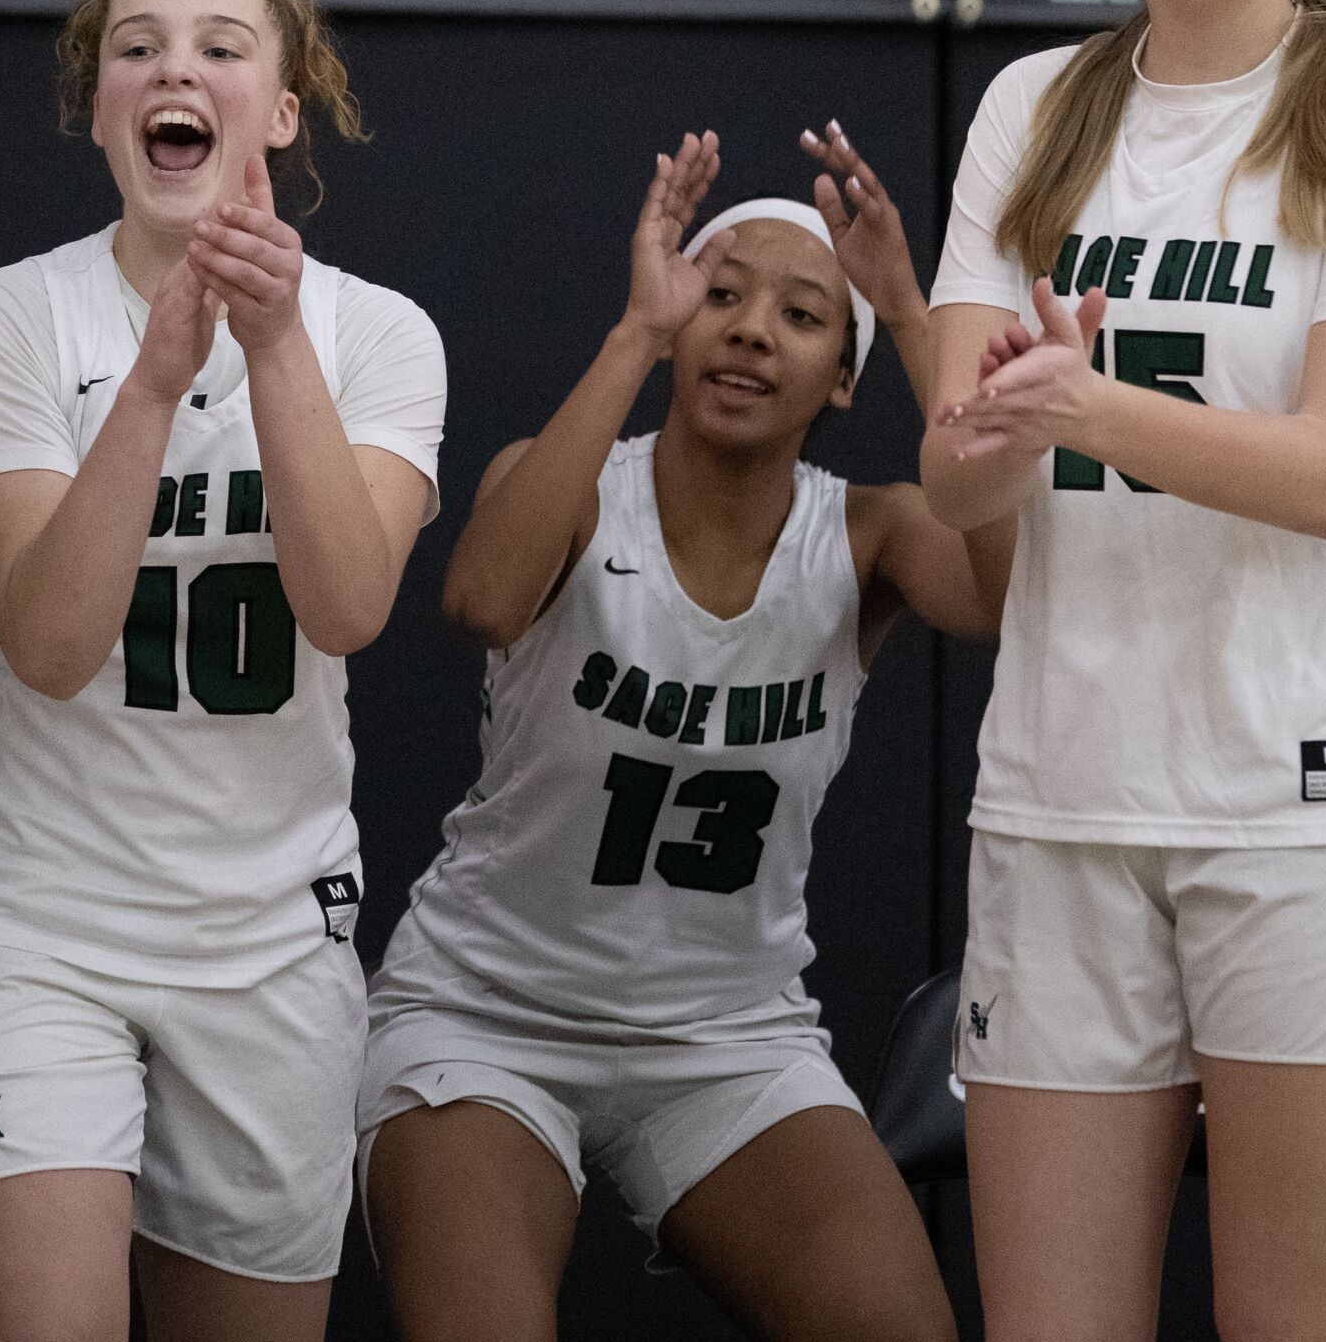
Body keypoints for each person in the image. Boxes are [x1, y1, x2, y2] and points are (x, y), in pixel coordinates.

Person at [923, 0, 1326, 1342]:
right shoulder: (1030, 108)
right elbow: (955, 478)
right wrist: (1009, 424)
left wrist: (1085, 404)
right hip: (1061, 799)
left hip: (1303, 808)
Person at [0, 0, 446, 1342]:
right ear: (100, 109)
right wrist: (153, 375)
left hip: (267, 931)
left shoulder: (377, 335)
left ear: (280, 107)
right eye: (136, 44)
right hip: (31, 911)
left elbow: (346, 607)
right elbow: (54, 640)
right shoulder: (4, 318)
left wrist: (267, 348)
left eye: (219, 43)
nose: (173, 68)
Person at [358, 125, 1010, 1342]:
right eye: (718, 295)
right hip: (485, 1014)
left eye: (803, 314)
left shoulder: (869, 534)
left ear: (844, 372)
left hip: (726, 1034)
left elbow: (1019, 607)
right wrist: (631, 334)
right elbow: (479, 600)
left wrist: (914, 318)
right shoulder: (561, 477)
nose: (751, 327)